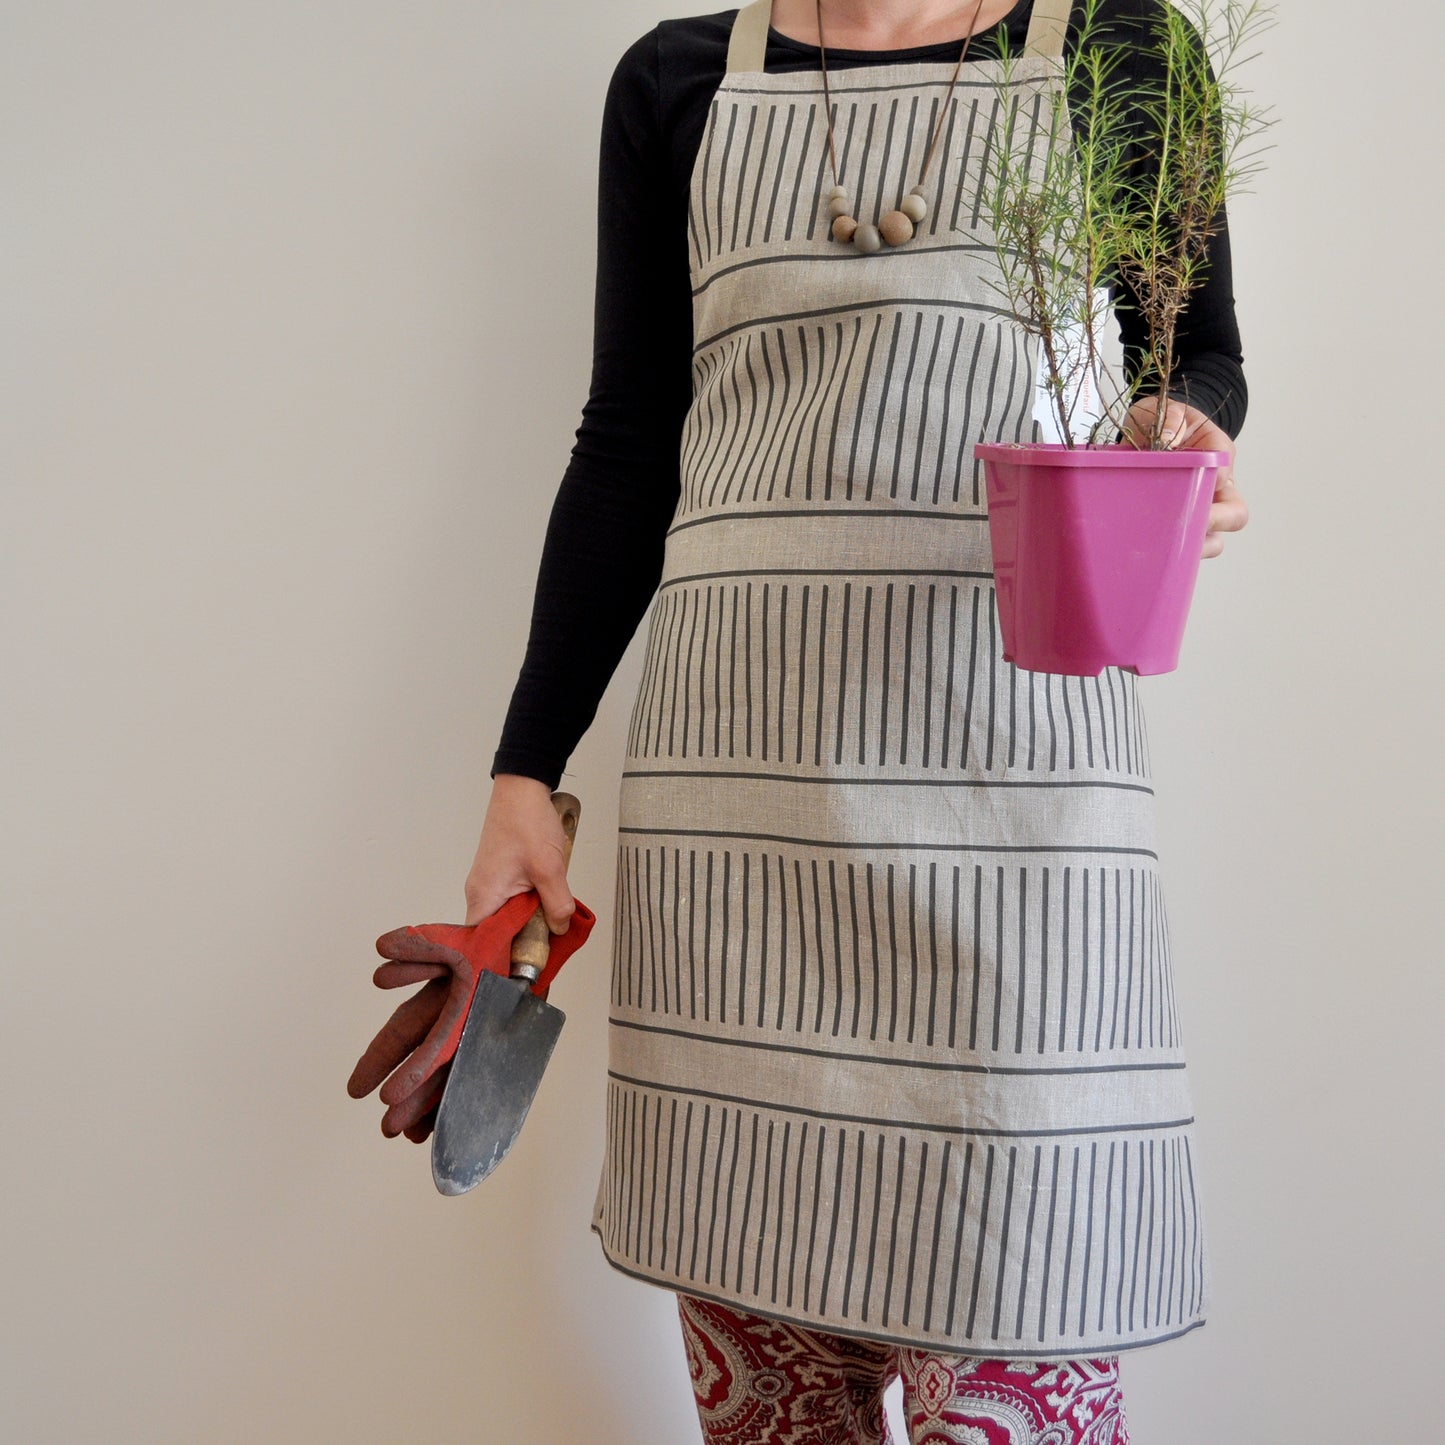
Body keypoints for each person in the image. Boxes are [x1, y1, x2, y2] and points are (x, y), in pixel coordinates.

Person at [466, 2, 1250, 1439]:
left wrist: (1174, 432)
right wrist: (528, 767)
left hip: (1015, 794)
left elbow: (1192, 352)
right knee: (778, 1402)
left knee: (1025, 1332)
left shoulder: (1124, 47)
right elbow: (631, 437)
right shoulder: (680, 78)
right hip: (738, 793)